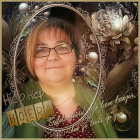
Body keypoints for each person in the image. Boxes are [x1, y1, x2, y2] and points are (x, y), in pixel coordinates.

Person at [3, 18, 117, 138]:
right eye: (41, 50)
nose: (52, 57)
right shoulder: (24, 102)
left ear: (77, 55)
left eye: (62, 47)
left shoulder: (91, 98)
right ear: (31, 60)